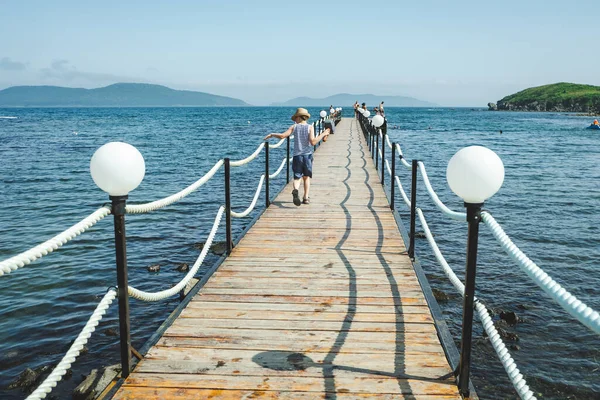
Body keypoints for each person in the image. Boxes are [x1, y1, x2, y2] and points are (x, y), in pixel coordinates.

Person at [264, 108, 330, 206]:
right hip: (307, 156)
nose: (295, 120)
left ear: (299, 117)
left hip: (297, 156)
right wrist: (324, 134)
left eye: (295, 118)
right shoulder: (310, 127)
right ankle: (306, 198)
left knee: (297, 177)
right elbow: (313, 142)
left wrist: (272, 134)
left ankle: (295, 190)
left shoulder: (294, 127)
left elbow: (283, 136)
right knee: (306, 177)